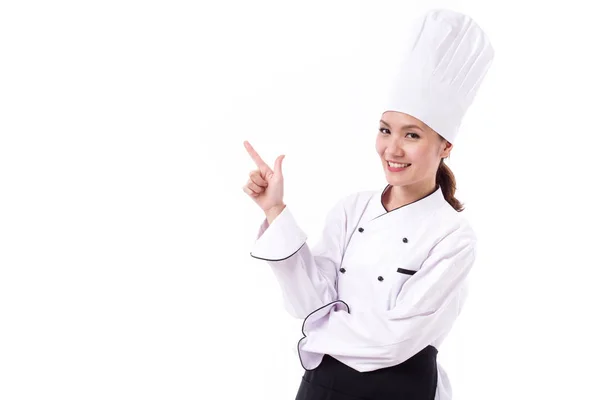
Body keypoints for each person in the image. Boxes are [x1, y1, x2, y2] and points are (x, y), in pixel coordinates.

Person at [242, 8, 494, 400]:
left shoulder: (453, 236)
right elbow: (308, 302)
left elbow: (394, 341)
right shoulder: (352, 209)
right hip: (322, 386)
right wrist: (275, 210)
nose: (392, 149)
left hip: (400, 389)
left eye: (412, 135)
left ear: (445, 146)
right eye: (385, 130)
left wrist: (322, 329)